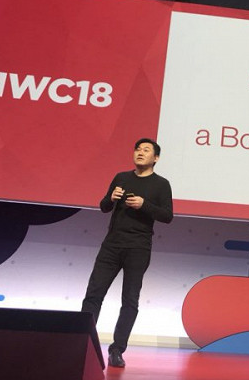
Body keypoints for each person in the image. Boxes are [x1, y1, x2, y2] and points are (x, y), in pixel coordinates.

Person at [82, 138, 173, 368]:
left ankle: (117, 349)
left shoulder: (161, 184)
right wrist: (110, 199)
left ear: (156, 158)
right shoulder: (121, 177)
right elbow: (104, 206)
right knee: (94, 293)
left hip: (138, 248)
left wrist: (144, 205)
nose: (140, 153)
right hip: (111, 245)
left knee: (130, 300)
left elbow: (167, 216)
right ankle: (82, 341)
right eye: (137, 149)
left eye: (146, 150)